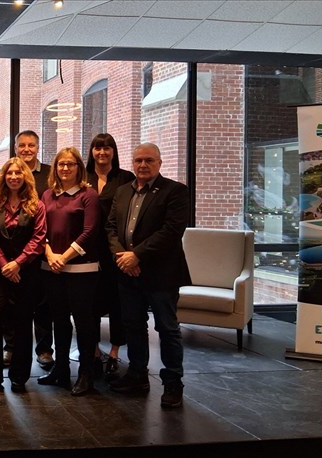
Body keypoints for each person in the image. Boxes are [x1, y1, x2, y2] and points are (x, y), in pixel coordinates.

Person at [106, 142, 191, 409]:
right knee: (133, 325)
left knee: (167, 328)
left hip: (161, 275)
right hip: (127, 272)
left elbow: (171, 231)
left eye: (149, 160)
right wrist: (123, 257)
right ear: (132, 163)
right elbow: (110, 228)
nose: (143, 165)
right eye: (138, 160)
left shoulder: (175, 191)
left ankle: (173, 383)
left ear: (159, 163)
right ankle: (137, 375)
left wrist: (137, 255)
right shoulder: (122, 191)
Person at [37, 147, 102, 397]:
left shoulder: (88, 195)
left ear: (79, 168)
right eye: (61, 164)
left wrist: (63, 257)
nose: (65, 168)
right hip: (52, 268)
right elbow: (40, 230)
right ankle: (61, 370)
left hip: (82, 270)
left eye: (70, 164)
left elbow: (90, 231)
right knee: (59, 321)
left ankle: (86, 374)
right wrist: (50, 255)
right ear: (55, 168)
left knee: (84, 322)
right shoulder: (47, 194)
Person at [0, 157, 46, 393]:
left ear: (25, 177)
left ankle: (19, 376)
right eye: (9, 173)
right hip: (0, 272)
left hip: (26, 272)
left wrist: (18, 264)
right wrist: (4, 265)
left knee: (22, 322)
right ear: (3, 177)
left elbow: (39, 239)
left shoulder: (37, 206)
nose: (14, 177)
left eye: (18, 173)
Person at [85, 133, 135, 378]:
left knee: (117, 302)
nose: (102, 152)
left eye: (107, 148)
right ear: (92, 151)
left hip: (116, 249)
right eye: (97, 148)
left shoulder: (126, 178)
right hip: (87, 248)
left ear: (114, 151)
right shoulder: (83, 177)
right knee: (91, 302)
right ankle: (94, 351)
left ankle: (114, 352)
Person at [14, 130, 54, 370]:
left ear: (38, 148)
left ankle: (44, 349)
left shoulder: (49, 174)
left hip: (43, 247)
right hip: (14, 250)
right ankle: (11, 348)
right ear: (16, 148)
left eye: (31, 145)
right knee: (12, 303)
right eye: (22, 145)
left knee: (43, 302)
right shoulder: (8, 172)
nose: (26, 149)